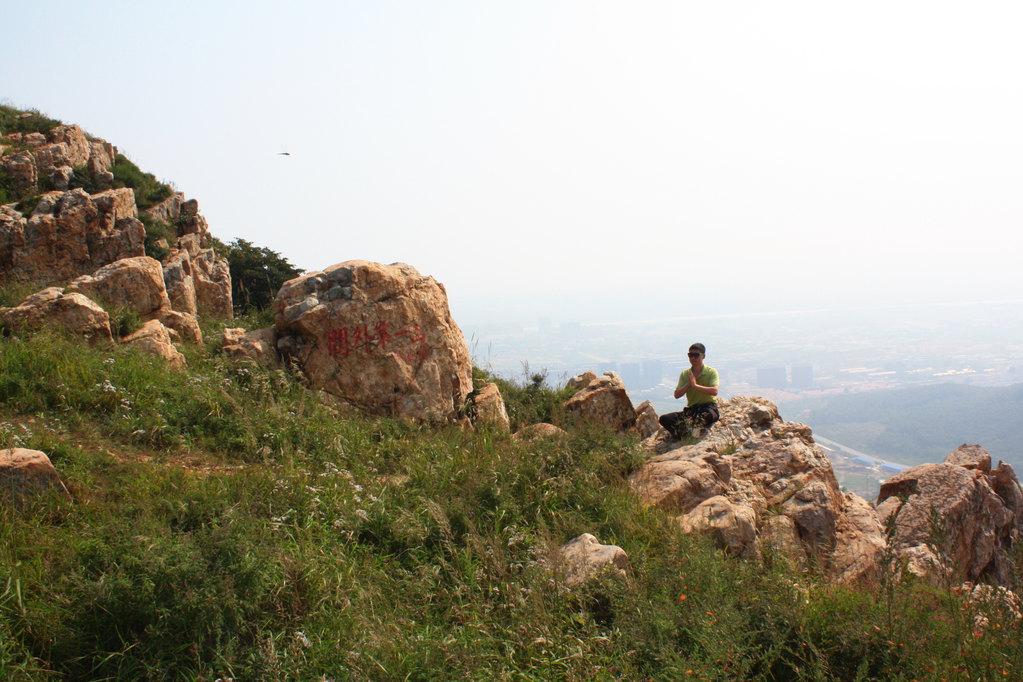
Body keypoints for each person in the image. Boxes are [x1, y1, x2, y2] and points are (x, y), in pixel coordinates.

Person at [658, 342, 720, 439]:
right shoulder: (685, 374)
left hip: (708, 407)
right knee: (664, 419)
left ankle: (689, 434)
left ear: (703, 356)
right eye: (690, 355)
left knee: (705, 417)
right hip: (692, 410)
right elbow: (677, 395)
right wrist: (689, 384)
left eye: (696, 355)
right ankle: (685, 434)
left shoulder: (711, 372)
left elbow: (714, 391)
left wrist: (695, 386)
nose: (693, 358)